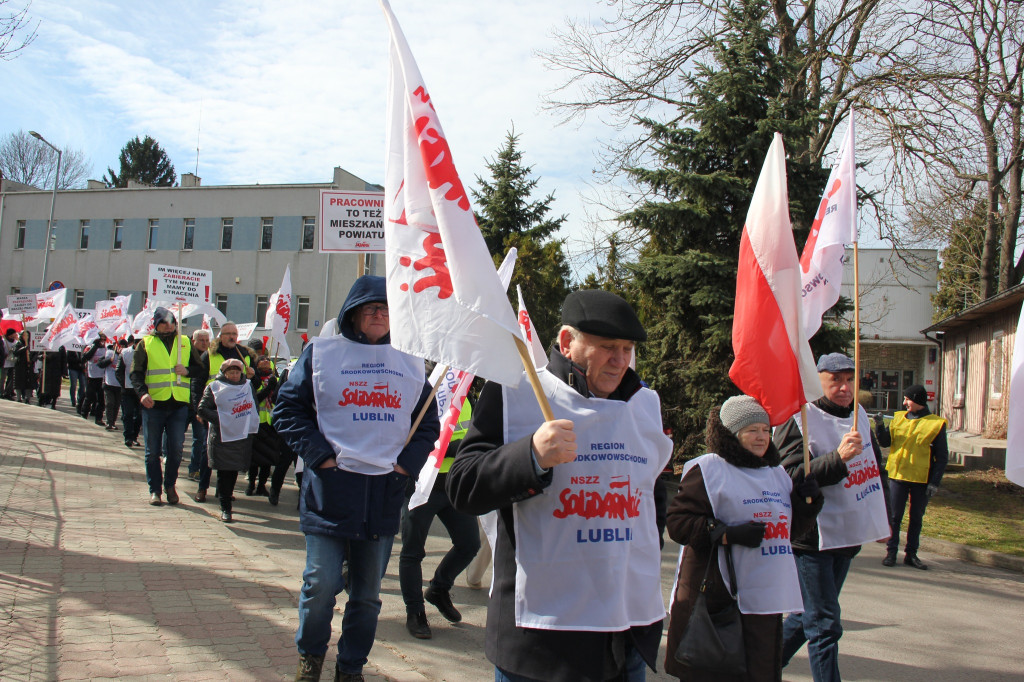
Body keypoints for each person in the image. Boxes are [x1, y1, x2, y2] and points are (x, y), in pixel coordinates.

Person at [446, 290, 672, 682]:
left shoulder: (643, 404)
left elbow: (652, 492)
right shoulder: (516, 393)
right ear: (567, 342)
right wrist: (530, 455)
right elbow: (463, 485)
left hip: (624, 637)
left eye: (627, 348)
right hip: (542, 644)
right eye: (607, 348)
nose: (620, 361)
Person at [273, 275, 439, 682]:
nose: (380, 315)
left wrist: (404, 468)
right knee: (320, 586)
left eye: (386, 309)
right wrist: (322, 458)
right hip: (331, 491)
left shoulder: (410, 359)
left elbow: (426, 426)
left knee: (366, 598)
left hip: (382, 496)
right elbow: (286, 410)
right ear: (353, 313)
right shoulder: (322, 353)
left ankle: (350, 667)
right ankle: (311, 657)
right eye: (371, 308)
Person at [665, 396, 822, 681]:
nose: (761, 437)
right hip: (718, 599)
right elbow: (678, 523)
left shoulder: (776, 473)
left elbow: (785, 532)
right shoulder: (708, 470)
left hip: (765, 597)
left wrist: (807, 505)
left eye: (765, 430)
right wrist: (725, 534)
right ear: (732, 434)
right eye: (752, 430)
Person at [772, 353, 889, 682]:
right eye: (834, 379)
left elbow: (874, 470)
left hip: (848, 533)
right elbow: (790, 476)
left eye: (849, 379)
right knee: (824, 624)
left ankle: (756, 670)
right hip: (812, 538)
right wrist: (837, 458)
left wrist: (884, 519)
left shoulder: (860, 415)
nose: (844, 386)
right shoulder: (799, 418)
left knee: (804, 618)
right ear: (817, 381)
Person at [400, 397, 481, 639]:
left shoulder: (465, 397)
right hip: (422, 484)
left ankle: (439, 589)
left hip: (453, 484)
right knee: (412, 552)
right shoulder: (425, 393)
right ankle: (415, 612)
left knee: (469, 544)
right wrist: (459, 448)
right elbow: (417, 438)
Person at [131, 307, 202, 506]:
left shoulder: (186, 342)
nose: (169, 325)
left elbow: (199, 368)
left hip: (178, 405)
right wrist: (142, 393)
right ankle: (155, 489)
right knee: (152, 451)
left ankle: (170, 485)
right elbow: (135, 373)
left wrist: (187, 370)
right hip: (154, 404)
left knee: (176, 450)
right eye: (164, 322)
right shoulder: (146, 343)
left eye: (172, 321)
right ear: (156, 324)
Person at [874, 384, 948, 570]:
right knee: (894, 516)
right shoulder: (899, 418)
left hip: (921, 479)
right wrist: (880, 426)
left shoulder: (936, 424)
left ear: (917, 400)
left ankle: (911, 554)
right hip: (898, 475)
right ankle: (891, 552)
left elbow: (942, 457)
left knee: (916, 518)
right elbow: (885, 442)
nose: (904, 402)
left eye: (908, 399)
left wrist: (934, 483)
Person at [198, 357, 260, 522]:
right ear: (224, 373)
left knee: (233, 471)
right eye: (230, 372)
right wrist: (223, 419)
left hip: (241, 437)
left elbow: (254, 406)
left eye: (237, 372)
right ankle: (225, 506)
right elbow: (202, 409)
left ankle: (226, 497)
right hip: (222, 437)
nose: (234, 375)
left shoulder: (247, 386)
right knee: (224, 471)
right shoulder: (214, 387)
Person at [187, 329, 212, 482]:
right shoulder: (185, 355)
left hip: (201, 406)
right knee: (176, 440)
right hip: (184, 403)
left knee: (200, 439)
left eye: (206, 340)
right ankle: (167, 456)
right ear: (193, 341)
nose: (204, 343)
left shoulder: (209, 357)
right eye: (201, 340)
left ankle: (194, 469)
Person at [117, 337, 142, 448]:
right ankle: (128, 437)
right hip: (128, 389)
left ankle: (134, 436)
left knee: (139, 416)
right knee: (128, 414)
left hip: (141, 390)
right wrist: (124, 384)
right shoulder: (125, 353)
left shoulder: (147, 353)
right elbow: (119, 371)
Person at [80, 335, 107, 424]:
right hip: (91, 377)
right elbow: (84, 358)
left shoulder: (106, 348)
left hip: (101, 377)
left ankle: (98, 418)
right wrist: (94, 347)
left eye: (104, 340)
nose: (102, 341)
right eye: (101, 340)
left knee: (101, 400)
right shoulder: (90, 347)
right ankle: (84, 414)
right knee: (89, 397)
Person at [99, 342, 124, 430]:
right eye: (119, 346)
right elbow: (100, 364)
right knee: (110, 403)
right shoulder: (109, 353)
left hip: (119, 385)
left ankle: (113, 422)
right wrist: (109, 360)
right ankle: (109, 422)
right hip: (108, 384)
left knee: (116, 405)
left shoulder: (124, 355)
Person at [1, 327, 17, 399]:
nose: (15, 334)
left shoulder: (15, 342)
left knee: (11, 379)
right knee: (2, 378)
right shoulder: (4, 341)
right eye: (14, 333)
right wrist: (5, 355)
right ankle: (1, 392)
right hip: (4, 363)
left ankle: (8, 392)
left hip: (12, 362)